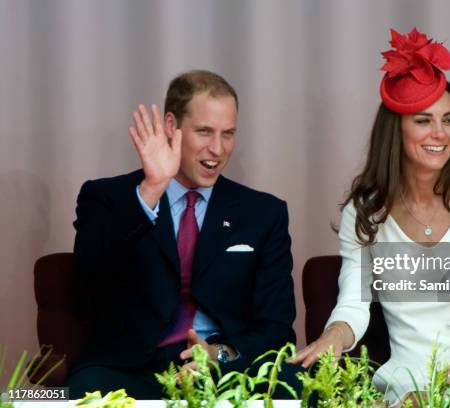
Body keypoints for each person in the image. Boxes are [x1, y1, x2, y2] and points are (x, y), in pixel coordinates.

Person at [293, 28, 450, 404]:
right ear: (396, 129)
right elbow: (353, 301)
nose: (440, 133)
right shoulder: (365, 210)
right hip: (411, 372)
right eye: (423, 120)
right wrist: (334, 334)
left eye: (448, 120)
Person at [67, 70, 298, 398]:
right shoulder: (109, 197)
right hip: (128, 368)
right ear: (171, 126)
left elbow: (276, 329)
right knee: (82, 394)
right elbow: (90, 280)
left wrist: (218, 355)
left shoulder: (263, 213)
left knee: (300, 386)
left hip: (224, 367)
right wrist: (151, 191)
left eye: (228, 134)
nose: (217, 148)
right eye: (204, 132)